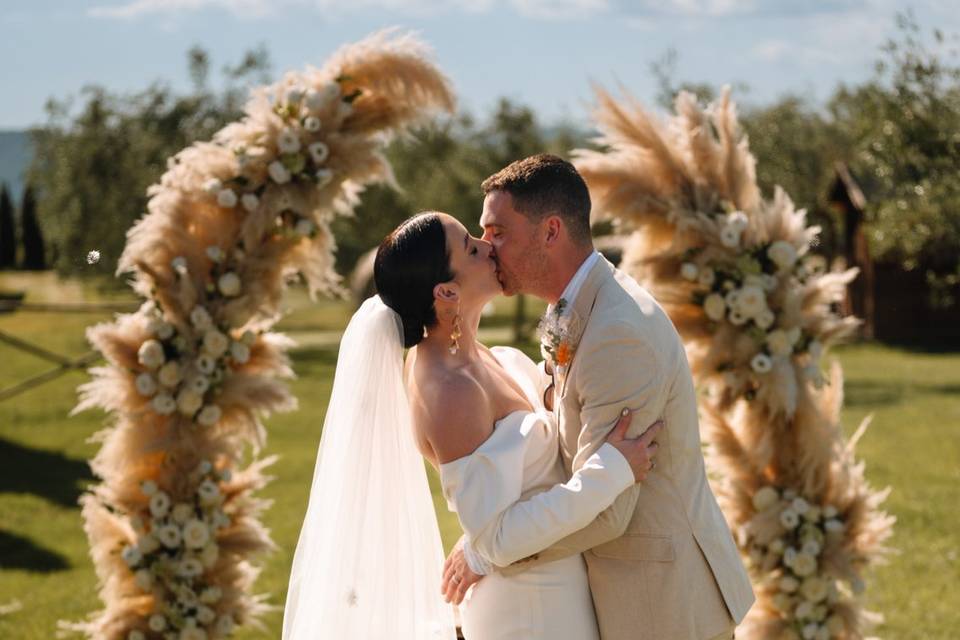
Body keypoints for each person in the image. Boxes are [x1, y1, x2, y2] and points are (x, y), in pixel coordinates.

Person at [282, 210, 660, 639]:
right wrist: (613, 469)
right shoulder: (449, 390)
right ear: (446, 292)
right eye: (470, 246)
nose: (487, 245)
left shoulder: (474, 358)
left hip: (555, 589)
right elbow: (495, 539)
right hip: (530, 610)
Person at [440, 154, 755, 640]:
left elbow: (610, 510)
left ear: (550, 232)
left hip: (662, 608)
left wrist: (487, 552)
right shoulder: (580, 303)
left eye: (498, 231)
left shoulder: (616, 333)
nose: (487, 247)